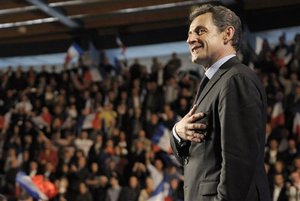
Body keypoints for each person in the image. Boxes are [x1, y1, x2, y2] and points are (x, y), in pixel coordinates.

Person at [169, 4, 271, 201]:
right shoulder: (215, 82)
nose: (190, 39)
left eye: (201, 31)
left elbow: (238, 162)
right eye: (189, 33)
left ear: (227, 34)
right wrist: (177, 132)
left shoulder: (236, 79)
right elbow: (194, 156)